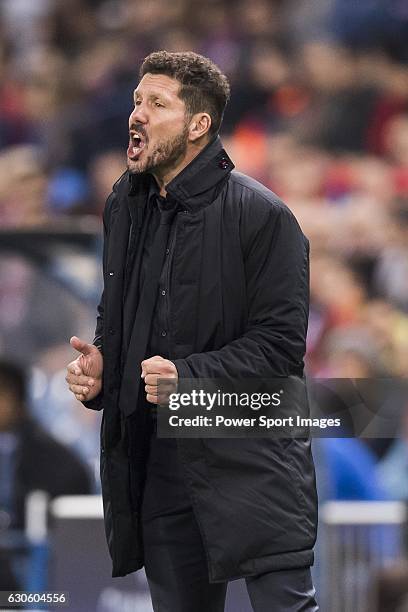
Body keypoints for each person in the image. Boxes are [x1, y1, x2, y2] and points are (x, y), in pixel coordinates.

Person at [65, 51, 318, 612]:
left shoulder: (263, 215)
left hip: (250, 459)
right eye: (136, 101)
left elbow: (280, 347)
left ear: (199, 125)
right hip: (157, 465)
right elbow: (117, 315)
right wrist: (105, 366)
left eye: (157, 104)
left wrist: (189, 377)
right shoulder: (122, 205)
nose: (137, 114)